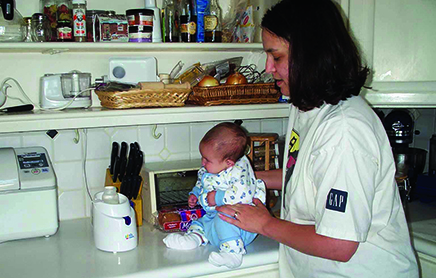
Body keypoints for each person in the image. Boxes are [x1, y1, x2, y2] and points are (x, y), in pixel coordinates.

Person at [215, 0, 419, 277]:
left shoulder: (344, 130)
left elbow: (339, 245)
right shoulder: (305, 105)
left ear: (310, 55)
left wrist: (264, 224)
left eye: (276, 57)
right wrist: (243, 179)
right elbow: (302, 174)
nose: (268, 69)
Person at [163, 122, 266, 269]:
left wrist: (217, 197)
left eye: (207, 160)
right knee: (199, 223)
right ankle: (193, 239)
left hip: (239, 222)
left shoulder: (240, 171)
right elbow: (202, 183)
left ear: (229, 163)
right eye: (203, 157)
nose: (202, 162)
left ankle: (233, 253)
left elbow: (243, 195)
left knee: (223, 221)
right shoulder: (211, 167)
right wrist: (195, 193)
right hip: (214, 217)